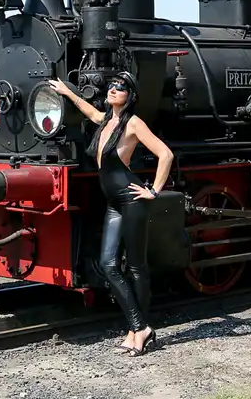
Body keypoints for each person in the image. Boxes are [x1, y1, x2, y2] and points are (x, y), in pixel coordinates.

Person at [48, 71, 173, 357]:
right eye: (113, 86)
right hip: (114, 203)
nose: (114, 90)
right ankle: (138, 327)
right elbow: (88, 109)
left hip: (131, 200)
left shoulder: (133, 123)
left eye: (121, 88)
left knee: (137, 267)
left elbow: (165, 154)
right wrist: (67, 93)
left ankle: (138, 329)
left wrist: (153, 190)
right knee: (108, 264)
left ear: (131, 96)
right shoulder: (106, 120)